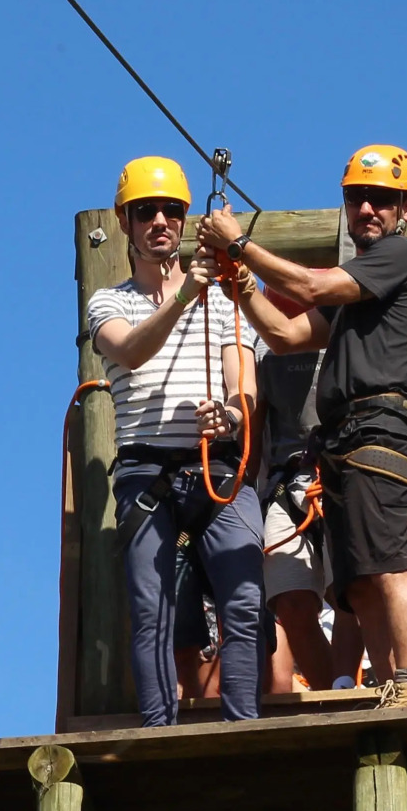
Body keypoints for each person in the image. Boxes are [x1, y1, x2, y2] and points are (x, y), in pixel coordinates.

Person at [196, 145, 407, 708]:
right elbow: (284, 334)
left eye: (383, 199)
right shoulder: (361, 291)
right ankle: (388, 685)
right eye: (358, 198)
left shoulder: (402, 258)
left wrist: (239, 245)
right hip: (348, 440)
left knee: (389, 567)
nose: (368, 210)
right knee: (358, 581)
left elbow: (310, 287)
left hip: (379, 430)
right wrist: (244, 290)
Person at [87, 156, 263, 726]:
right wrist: (185, 294)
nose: (159, 221)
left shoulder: (221, 302)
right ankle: (158, 731)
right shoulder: (108, 303)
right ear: (126, 224)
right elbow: (131, 349)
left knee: (244, 600)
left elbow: (245, 387)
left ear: (185, 220)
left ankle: (243, 728)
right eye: (146, 212)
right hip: (146, 474)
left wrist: (231, 420)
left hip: (214, 467)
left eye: (170, 210)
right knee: (151, 609)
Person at [256, 344, 362, 692]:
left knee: (349, 591)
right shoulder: (258, 341)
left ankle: (347, 687)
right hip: (284, 480)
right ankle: (331, 693)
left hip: (341, 474)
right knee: (289, 600)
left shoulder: (344, 323)